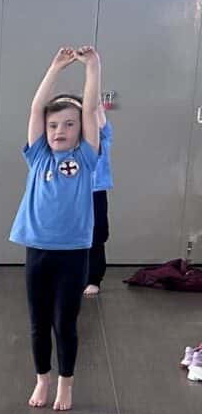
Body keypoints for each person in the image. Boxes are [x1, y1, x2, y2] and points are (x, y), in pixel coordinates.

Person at [9, 45, 102, 412]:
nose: (59, 130)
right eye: (53, 126)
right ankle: (42, 379)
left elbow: (90, 109)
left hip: (74, 253)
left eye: (68, 124)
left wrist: (92, 67)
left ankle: (66, 383)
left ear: (80, 131)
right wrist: (55, 68)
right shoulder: (38, 157)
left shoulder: (86, 158)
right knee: (38, 323)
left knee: (65, 322)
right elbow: (36, 109)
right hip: (39, 249)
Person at [84, 102, 112, 296]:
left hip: (96, 192)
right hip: (73, 192)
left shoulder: (103, 137)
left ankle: (94, 278)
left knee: (97, 234)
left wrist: (95, 104)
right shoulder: (74, 140)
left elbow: (100, 121)